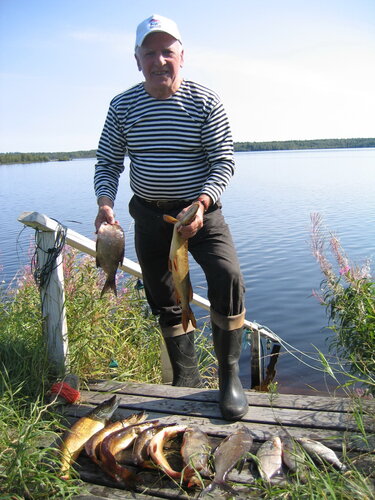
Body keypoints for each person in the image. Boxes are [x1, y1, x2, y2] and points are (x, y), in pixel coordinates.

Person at [94, 14, 247, 421]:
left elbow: (223, 162)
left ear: (183, 56)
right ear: (137, 60)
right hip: (148, 216)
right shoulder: (123, 105)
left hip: (200, 211)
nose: (159, 60)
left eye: (167, 52)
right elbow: (108, 161)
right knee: (163, 295)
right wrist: (105, 202)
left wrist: (202, 203)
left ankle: (229, 379)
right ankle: (187, 377)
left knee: (228, 277)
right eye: (150, 53)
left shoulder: (205, 101)